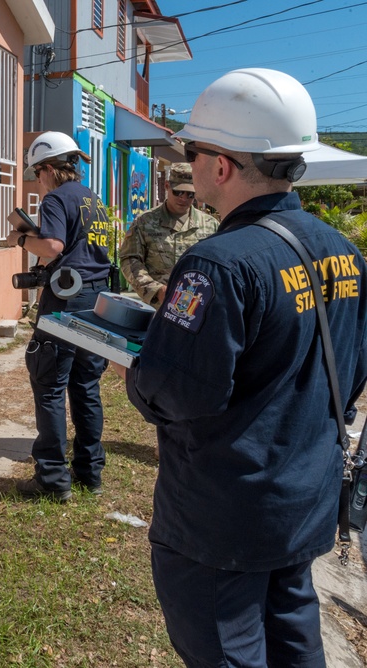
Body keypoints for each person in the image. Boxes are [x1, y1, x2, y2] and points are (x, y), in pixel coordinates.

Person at [116, 69, 367, 665]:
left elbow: (175, 392)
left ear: (221, 166)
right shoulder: (346, 254)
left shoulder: (217, 264)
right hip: (304, 499)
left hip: (223, 519)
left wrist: (139, 368)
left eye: (193, 151)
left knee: (229, 651)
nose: (189, 164)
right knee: (293, 639)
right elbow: (353, 368)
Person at [7, 131, 112, 502]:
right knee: (86, 385)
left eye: (38, 173)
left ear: (50, 168)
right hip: (97, 299)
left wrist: (20, 239)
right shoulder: (94, 200)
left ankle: (52, 477)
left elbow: (52, 247)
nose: (38, 180)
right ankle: (89, 472)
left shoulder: (55, 198)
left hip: (66, 300)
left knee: (50, 384)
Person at [118, 163, 219, 307]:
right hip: (157, 307)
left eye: (190, 194)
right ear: (167, 186)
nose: (184, 198)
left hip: (196, 309)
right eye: (178, 192)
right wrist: (155, 290)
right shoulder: (145, 222)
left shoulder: (210, 225)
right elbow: (129, 259)